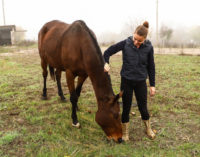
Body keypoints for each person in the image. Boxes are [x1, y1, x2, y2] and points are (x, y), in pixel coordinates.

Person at [103, 21, 156, 141]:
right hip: (126, 81)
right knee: (126, 107)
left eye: (139, 41)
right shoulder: (126, 43)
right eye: (135, 39)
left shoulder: (149, 47)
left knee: (143, 107)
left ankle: (148, 129)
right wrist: (105, 63)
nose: (136, 42)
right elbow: (107, 52)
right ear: (133, 34)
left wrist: (152, 85)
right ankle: (125, 132)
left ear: (145, 39)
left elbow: (151, 67)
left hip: (141, 82)